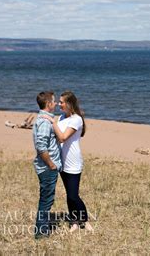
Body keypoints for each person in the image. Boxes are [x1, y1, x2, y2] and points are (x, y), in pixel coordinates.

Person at [40, 91, 93, 232]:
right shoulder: (62, 117)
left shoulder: (76, 119)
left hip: (73, 162)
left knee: (73, 195)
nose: (59, 104)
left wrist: (52, 122)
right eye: (58, 101)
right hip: (61, 161)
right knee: (69, 195)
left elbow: (63, 137)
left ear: (69, 104)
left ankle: (85, 219)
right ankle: (74, 221)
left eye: (62, 102)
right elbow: (56, 136)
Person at [32, 91, 62, 239]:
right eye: (54, 101)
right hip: (47, 168)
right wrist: (51, 165)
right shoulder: (44, 122)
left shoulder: (46, 119)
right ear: (48, 104)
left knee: (46, 198)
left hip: (46, 167)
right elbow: (41, 147)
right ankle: (41, 233)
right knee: (46, 200)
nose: (56, 103)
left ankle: (41, 230)